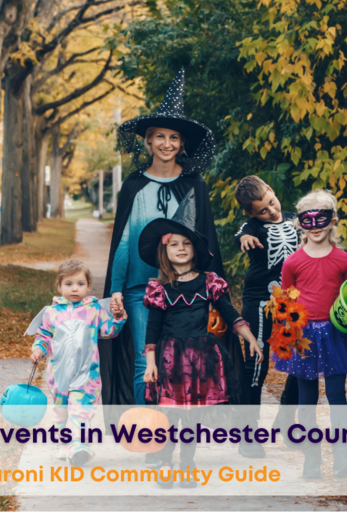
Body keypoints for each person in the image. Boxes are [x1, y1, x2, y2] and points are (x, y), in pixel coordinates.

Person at [101, 68, 242, 419]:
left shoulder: (194, 185)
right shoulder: (133, 185)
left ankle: (181, 434)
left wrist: (211, 290)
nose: (167, 144)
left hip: (185, 288)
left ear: (182, 144)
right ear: (148, 141)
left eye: (174, 138)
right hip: (139, 285)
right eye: (159, 136)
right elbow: (123, 241)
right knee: (143, 360)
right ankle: (146, 433)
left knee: (182, 362)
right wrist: (116, 288)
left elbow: (202, 239)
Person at [139, 193, 263, 489]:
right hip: (169, 359)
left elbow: (230, 313)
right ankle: (166, 462)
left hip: (200, 357)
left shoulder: (209, 281)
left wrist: (251, 339)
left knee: (192, 418)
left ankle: (187, 465)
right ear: (164, 250)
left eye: (186, 243)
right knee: (169, 415)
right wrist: (150, 364)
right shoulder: (160, 288)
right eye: (174, 244)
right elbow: (152, 330)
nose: (181, 249)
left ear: (195, 248)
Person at [273, 189, 347, 479]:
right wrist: (286, 338)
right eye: (308, 219)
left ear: (333, 222)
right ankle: (311, 460)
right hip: (303, 337)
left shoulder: (344, 261)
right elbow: (286, 303)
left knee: (336, 395)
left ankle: (343, 457)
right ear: (300, 223)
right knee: (306, 399)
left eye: (322, 218)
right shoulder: (292, 263)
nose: (315, 225)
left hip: (334, 336)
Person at [28, 259, 127, 467]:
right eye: (69, 284)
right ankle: (64, 443)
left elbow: (108, 331)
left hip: (86, 374)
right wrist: (38, 349)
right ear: (59, 286)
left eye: (80, 284)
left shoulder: (93, 310)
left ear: (88, 286)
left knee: (80, 409)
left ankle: (78, 444)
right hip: (59, 375)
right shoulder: (51, 313)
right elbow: (44, 335)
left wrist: (117, 318)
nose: (75, 288)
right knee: (62, 410)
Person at [232, 176, 300, 457]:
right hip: (259, 302)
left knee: (302, 362)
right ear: (251, 213)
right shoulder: (252, 227)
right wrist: (245, 237)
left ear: (273, 191)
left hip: (293, 302)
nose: (271, 211)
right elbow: (242, 234)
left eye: (271, 203)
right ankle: (248, 433)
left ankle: (286, 418)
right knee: (256, 363)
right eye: (262, 210)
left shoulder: (296, 219)